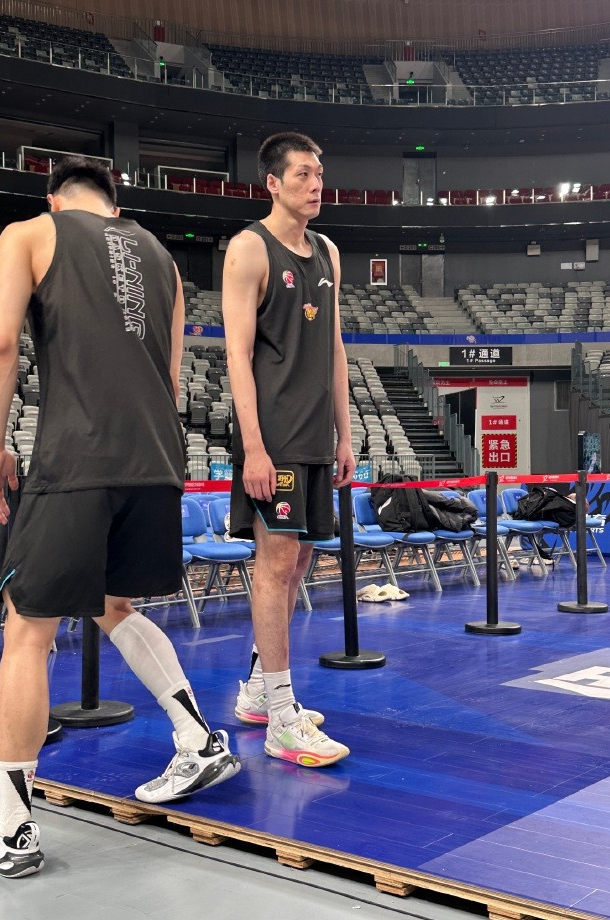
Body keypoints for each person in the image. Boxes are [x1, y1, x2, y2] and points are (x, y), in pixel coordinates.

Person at [0, 156, 240, 879]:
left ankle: (12, 827)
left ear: (54, 199)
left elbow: (0, 343)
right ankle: (197, 737)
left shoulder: (31, 232)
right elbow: (169, 373)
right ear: (115, 206)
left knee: (26, 629)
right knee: (112, 604)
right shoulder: (163, 259)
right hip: (157, 460)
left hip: (77, 458)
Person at [222, 132, 355, 768]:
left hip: (315, 438)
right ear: (273, 183)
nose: (315, 183)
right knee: (274, 567)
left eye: (319, 172)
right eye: (302, 173)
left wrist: (345, 433)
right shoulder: (249, 248)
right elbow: (237, 354)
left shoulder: (328, 251)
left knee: (298, 563)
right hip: (272, 439)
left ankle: (257, 689)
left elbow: (335, 348)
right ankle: (280, 717)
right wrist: (253, 447)